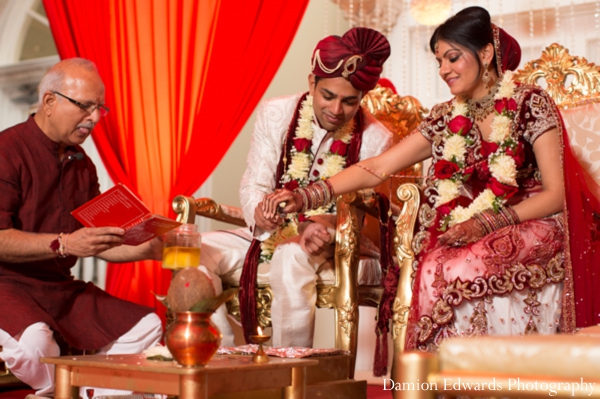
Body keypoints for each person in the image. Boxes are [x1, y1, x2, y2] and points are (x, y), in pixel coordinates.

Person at [265, 6, 600, 351]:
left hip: (539, 218)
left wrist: (486, 223)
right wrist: (307, 196)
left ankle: (490, 376)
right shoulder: (445, 117)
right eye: (439, 61)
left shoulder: (530, 103)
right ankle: (441, 381)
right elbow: (378, 167)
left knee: (462, 264)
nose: (444, 70)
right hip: (477, 225)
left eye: (453, 58)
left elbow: (557, 194)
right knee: (434, 263)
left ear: (485, 53)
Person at [198, 27, 393, 347]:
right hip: (271, 234)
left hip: (341, 244)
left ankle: (291, 370)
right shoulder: (276, 112)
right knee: (195, 250)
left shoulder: (378, 138)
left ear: (362, 98)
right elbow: (255, 182)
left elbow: (372, 217)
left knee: (291, 255)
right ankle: (218, 359)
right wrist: (260, 212)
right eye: (328, 96)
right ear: (312, 83)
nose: (336, 110)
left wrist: (328, 225)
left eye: (349, 101)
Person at [0, 58, 163, 398]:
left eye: (99, 109)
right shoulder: (7, 150)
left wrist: (148, 247)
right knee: (34, 346)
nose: (93, 118)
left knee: (148, 326)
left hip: (61, 290)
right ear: (49, 102)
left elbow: (100, 240)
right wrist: (65, 244)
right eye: (84, 107)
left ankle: (85, 394)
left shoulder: (82, 163)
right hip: (7, 286)